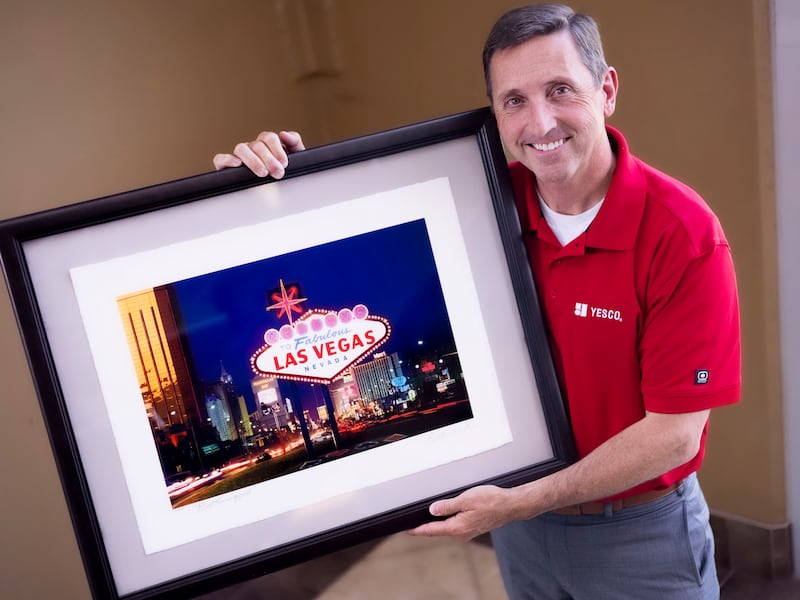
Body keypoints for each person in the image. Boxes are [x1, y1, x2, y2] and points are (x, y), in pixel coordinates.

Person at [213, 4, 741, 598]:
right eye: (514, 100)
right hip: (523, 531)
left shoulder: (683, 235)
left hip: (638, 536)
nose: (540, 122)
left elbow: (674, 436)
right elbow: (360, 224)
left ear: (607, 90)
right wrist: (273, 184)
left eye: (560, 89)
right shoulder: (479, 199)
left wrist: (522, 501)